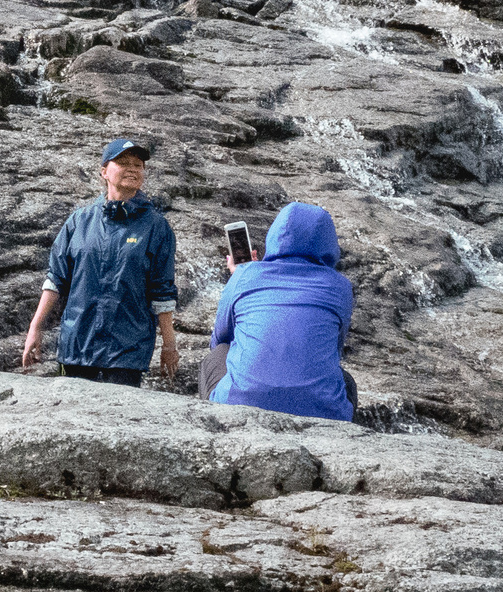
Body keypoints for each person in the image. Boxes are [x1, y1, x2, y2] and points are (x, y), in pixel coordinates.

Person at [19, 138, 180, 387]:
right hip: (77, 345)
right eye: (123, 162)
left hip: (128, 351)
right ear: (104, 171)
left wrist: (169, 345)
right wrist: (35, 327)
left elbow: (162, 291)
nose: (133, 169)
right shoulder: (79, 221)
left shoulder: (157, 227)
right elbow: (56, 279)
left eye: (138, 165)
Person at [204, 201, 357, 422]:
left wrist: (241, 275)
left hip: (240, 405)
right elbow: (335, 347)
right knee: (346, 381)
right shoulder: (340, 286)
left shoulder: (245, 275)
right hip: (322, 411)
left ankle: (214, 427)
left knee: (218, 355)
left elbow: (220, 339)